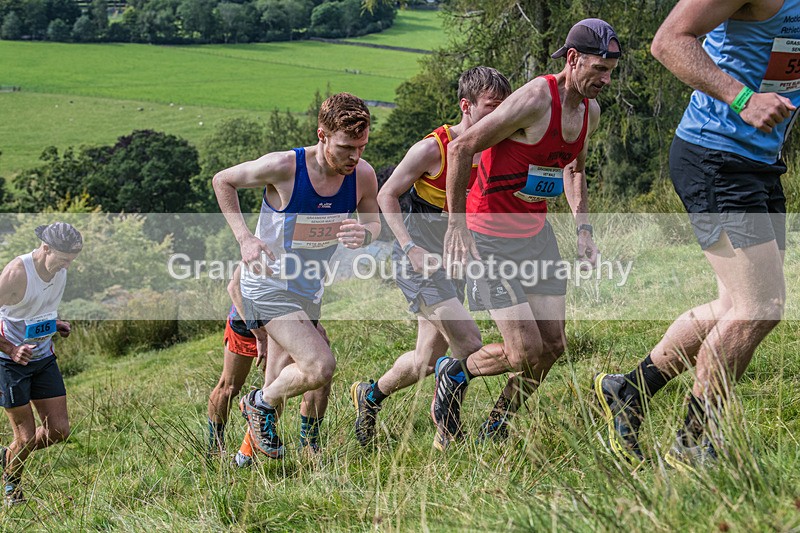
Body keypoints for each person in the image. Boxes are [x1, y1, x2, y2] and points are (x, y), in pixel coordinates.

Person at [594, 0, 798, 470]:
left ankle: (629, 390)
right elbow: (668, 41)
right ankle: (694, 442)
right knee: (760, 307)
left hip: (759, 162)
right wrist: (743, 99)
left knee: (734, 306)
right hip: (716, 155)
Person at [433, 19, 620, 450]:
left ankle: (498, 422)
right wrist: (457, 224)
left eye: (611, 71)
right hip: (489, 236)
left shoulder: (589, 111)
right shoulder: (536, 98)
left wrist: (583, 229)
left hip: (536, 235)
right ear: (572, 59)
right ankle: (454, 373)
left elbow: (574, 169)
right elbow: (461, 148)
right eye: (599, 69)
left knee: (553, 346)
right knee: (522, 352)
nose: (606, 80)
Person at [350, 67, 511, 446]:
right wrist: (410, 247)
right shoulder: (432, 148)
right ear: (466, 106)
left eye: (505, 105)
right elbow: (387, 195)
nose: (501, 114)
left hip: (455, 261)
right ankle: (446, 432)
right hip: (418, 261)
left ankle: (370, 396)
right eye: (492, 106)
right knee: (468, 343)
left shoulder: (496, 146)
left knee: (426, 358)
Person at [213, 92, 381, 459]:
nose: (355, 157)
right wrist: (245, 238)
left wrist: (365, 234)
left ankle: (246, 457)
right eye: (346, 147)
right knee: (320, 366)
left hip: (308, 291)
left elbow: (373, 222)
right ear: (322, 135)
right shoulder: (285, 167)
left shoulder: (363, 176)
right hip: (267, 285)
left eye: (362, 147)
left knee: (281, 376)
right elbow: (222, 181)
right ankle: (258, 403)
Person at [0, 222, 83, 506]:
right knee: (25, 437)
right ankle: (12, 488)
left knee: (58, 431)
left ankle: (8, 454)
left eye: (71, 261)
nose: (67, 267)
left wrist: (54, 323)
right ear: (45, 248)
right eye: (63, 260)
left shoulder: (58, 270)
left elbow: (35, 309)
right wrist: (11, 349)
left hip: (43, 357)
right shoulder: (16, 273)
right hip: (10, 364)